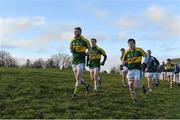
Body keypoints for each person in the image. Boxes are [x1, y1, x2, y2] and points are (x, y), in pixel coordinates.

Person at [121, 38, 147, 104]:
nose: (130, 45)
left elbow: (146, 56)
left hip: (137, 70)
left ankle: (140, 87)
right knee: (130, 86)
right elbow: (123, 61)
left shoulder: (139, 50)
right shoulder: (126, 52)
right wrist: (122, 65)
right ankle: (134, 99)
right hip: (129, 71)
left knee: (136, 86)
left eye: (131, 43)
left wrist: (144, 63)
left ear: (134, 44)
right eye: (129, 44)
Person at [70, 27, 90, 98]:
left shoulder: (85, 40)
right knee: (78, 79)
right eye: (74, 32)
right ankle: (87, 86)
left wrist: (87, 54)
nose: (75, 33)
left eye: (77, 31)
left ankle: (75, 94)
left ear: (80, 32)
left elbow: (89, 49)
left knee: (78, 78)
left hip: (81, 62)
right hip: (74, 61)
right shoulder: (72, 41)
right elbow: (71, 50)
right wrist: (72, 50)